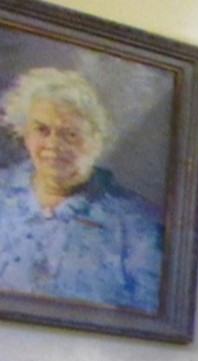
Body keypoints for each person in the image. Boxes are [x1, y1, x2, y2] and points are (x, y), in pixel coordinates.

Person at [0, 68, 164, 313]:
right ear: (24, 133)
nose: (53, 144)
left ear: (97, 141)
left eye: (71, 134)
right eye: (42, 130)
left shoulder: (137, 224)